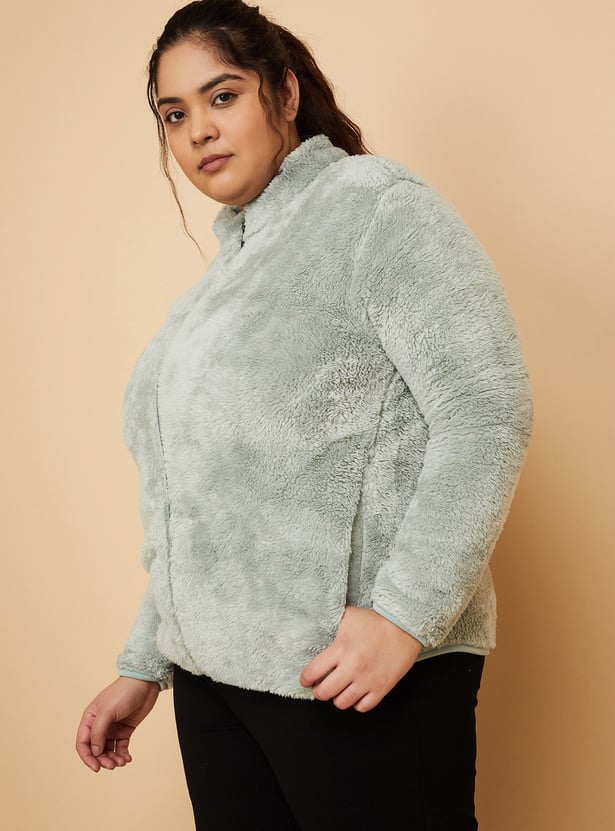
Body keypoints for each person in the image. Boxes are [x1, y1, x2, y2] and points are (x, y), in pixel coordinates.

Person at [75, 1, 533, 828]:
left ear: (284, 94)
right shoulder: (218, 283)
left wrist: (404, 615)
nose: (198, 131)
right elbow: (200, 497)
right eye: (174, 114)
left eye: (222, 96)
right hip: (214, 686)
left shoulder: (375, 207)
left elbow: (484, 409)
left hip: (352, 677)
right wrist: (146, 661)